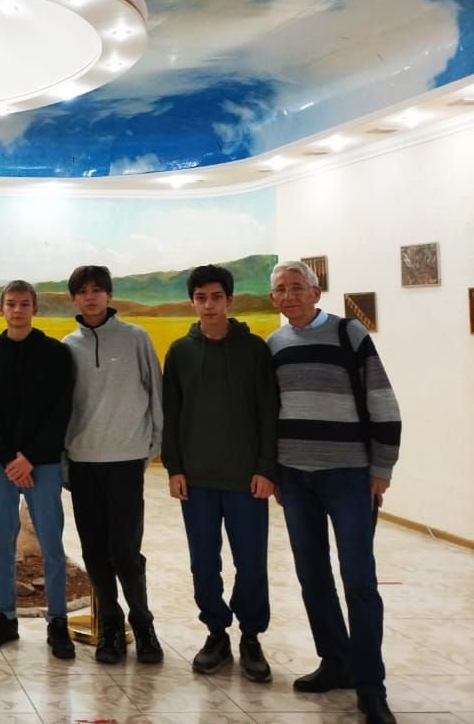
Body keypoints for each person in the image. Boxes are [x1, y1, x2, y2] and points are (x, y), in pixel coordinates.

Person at [268, 261, 402, 724]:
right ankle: (335, 661)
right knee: (313, 576)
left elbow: (382, 399)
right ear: (273, 298)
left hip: (349, 476)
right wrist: (276, 473)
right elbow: (271, 412)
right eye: (281, 290)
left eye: (297, 287)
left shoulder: (349, 334)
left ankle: (371, 686)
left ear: (316, 292)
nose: (289, 296)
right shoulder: (274, 345)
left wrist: (381, 467)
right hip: (295, 478)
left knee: (359, 581)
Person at [162, 265, 278, 682]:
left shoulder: (255, 350)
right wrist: (175, 468)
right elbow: (171, 414)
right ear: (192, 302)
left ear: (229, 300)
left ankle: (251, 637)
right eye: (200, 298)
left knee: (251, 562)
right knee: (203, 563)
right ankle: (216, 633)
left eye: (216, 297)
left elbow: (269, 412)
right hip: (196, 481)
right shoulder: (180, 352)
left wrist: (266, 468)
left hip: (246, 480)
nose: (208, 305)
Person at [62, 264, 164, 664]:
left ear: (109, 295)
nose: (90, 297)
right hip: (83, 463)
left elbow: (155, 393)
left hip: (125, 461)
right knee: (94, 551)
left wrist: (152, 446)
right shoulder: (68, 347)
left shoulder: (136, 338)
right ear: (74, 298)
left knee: (125, 551)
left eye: (97, 290)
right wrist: (64, 460)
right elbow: (63, 409)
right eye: (83, 291)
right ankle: (109, 627)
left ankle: (143, 623)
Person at [0, 280, 76, 658]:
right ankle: (5, 616)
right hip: (2, 465)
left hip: (42, 463)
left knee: (51, 544)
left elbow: (60, 411)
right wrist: (8, 459)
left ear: (35, 308)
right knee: (1, 542)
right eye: (11, 304)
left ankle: (57, 620)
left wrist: (29, 457)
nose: (17, 311)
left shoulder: (56, 354)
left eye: (24, 304)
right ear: (0, 308)